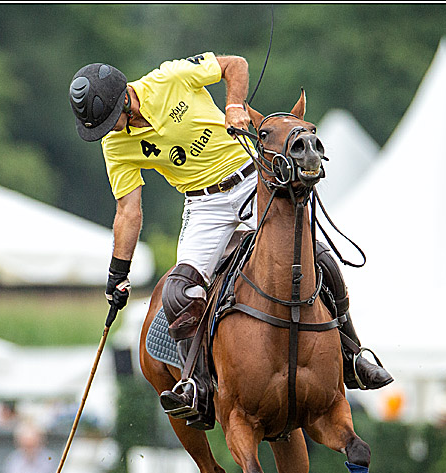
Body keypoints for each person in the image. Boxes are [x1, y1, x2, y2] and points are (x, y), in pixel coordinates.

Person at [68, 54, 392, 430]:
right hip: (203, 205)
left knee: (320, 258)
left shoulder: (170, 78)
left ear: (125, 99)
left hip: (251, 180)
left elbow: (234, 64)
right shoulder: (115, 146)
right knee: (178, 291)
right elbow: (128, 211)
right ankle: (197, 386)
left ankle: (352, 355)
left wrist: (234, 105)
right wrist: (117, 274)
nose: (108, 131)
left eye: (109, 121)